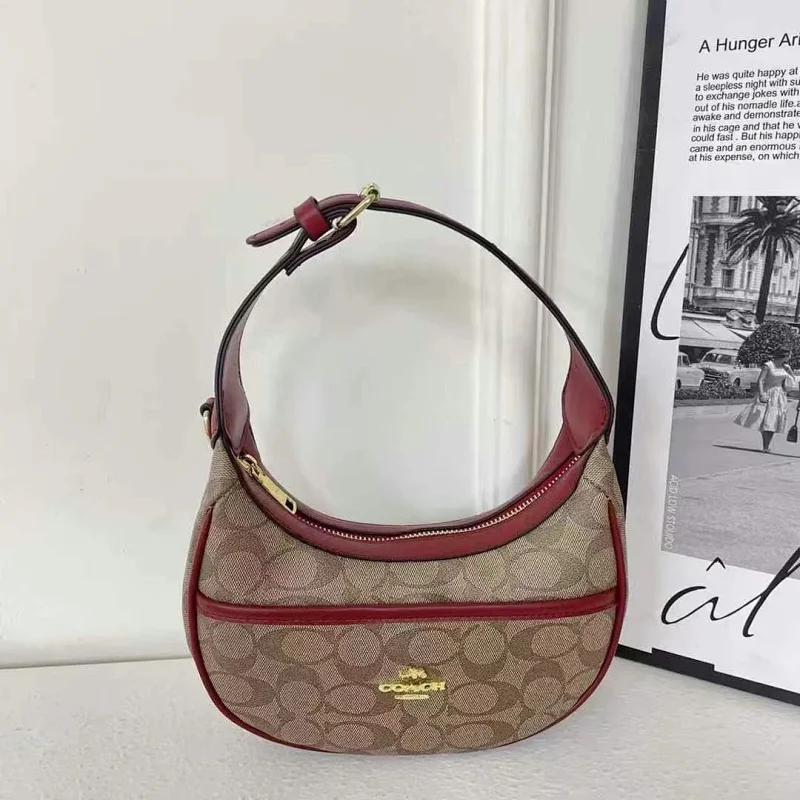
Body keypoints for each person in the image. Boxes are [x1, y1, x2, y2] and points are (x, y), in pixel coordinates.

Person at [734, 347, 795, 452]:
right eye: (789, 355)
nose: (790, 357)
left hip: (779, 395)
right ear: (784, 355)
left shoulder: (786, 367)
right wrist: (762, 394)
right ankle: (766, 446)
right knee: (766, 420)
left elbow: (792, 381)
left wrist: (789, 374)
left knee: (774, 420)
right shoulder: (768, 365)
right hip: (768, 393)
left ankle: (766, 445)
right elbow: (760, 380)